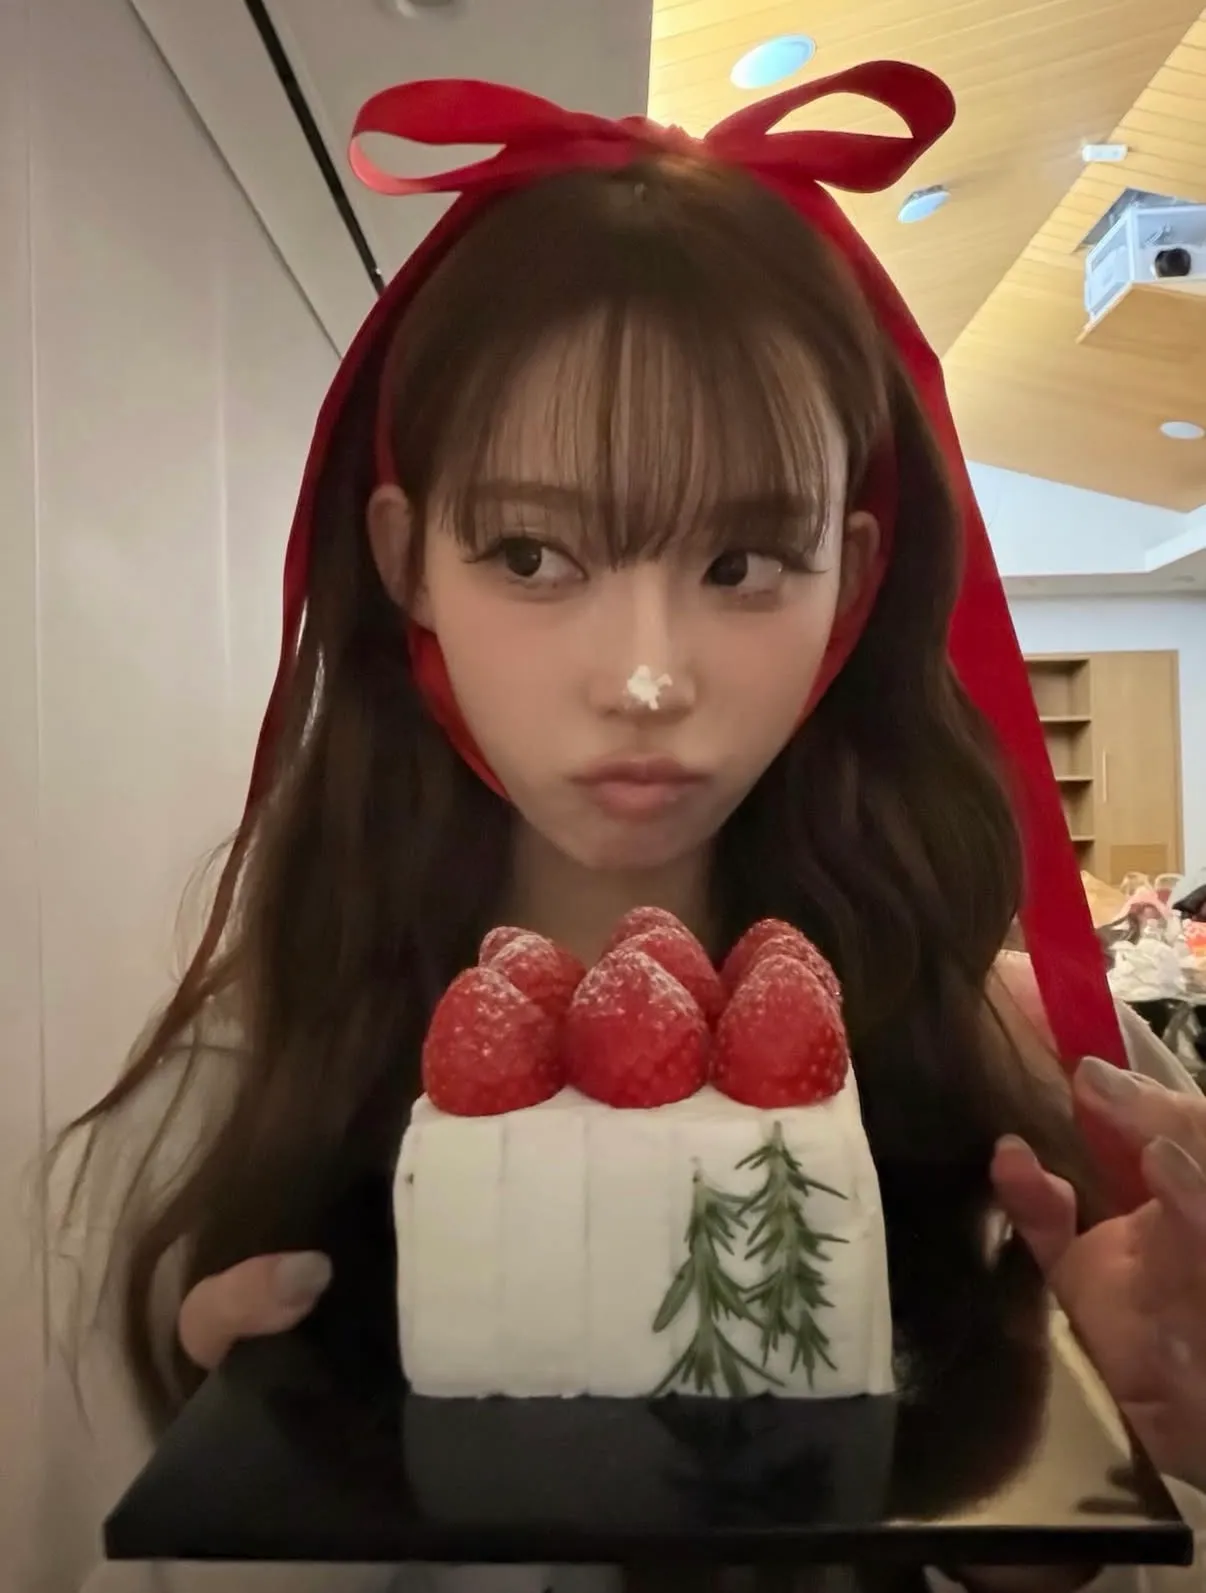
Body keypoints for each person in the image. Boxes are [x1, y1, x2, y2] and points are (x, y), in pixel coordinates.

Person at [24, 62, 1206, 1593]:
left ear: (851, 578)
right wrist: (267, 1528)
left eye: (741, 563)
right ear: (405, 558)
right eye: (532, 553)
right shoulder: (228, 1099)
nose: (645, 680)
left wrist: (1098, 1479)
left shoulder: (1044, 1063)